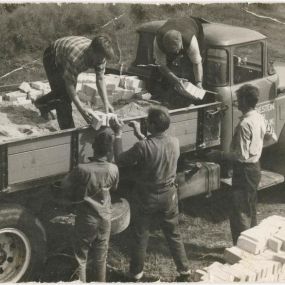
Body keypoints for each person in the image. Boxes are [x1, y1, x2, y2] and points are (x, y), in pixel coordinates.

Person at [110, 107, 191, 282]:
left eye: (148, 121)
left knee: (141, 234)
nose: (145, 122)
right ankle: (184, 270)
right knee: (173, 233)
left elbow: (120, 159)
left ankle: (136, 273)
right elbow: (155, 146)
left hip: (147, 197)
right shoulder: (175, 142)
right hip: (169, 195)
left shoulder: (142, 146)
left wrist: (118, 134)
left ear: (153, 125)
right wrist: (140, 134)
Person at [206, 84, 277, 245]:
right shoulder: (259, 117)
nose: (237, 102)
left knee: (239, 212)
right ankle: (253, 243)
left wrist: (218, 155)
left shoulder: (245, 124)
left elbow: (241, 156)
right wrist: (257, 148)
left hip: (244, 171)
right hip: (255, 169)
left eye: (239, 99)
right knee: (250, 208)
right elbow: (273, 137)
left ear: (245, 100)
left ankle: (241, 248)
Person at [61, 127, 119, 282]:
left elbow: (64, 185)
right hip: (105, 218)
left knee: (81, 256)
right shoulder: (113, 169)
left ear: (93, 146)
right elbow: (114, 187)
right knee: (101, 258)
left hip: (87, 219)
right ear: (109, 150)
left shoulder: (82, 169)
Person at [34, 34, 115, 130]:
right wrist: (81, 109)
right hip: (52, 55)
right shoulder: (75, 57)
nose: (101, 61)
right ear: (91, 51)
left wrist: (106, 103)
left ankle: (41, 103)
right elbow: (70, 85)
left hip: (67, 55)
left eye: (103, 58)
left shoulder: (101, 56)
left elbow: (100, 79)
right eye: (98, 58)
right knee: (63, 98)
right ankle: (68, 130)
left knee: (63, 93)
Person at [153, 17, 205, 108]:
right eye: (172, 52)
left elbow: (197, 63)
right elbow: (161, 65)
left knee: (197, 60)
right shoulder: (158, 42)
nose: (177, 54)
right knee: (166, 75)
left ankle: (191, 96)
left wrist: (199, 82)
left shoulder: (191, 41)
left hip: (192, 24)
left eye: (177, 51)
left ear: (181, 44)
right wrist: (175, 79)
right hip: (172, 23)